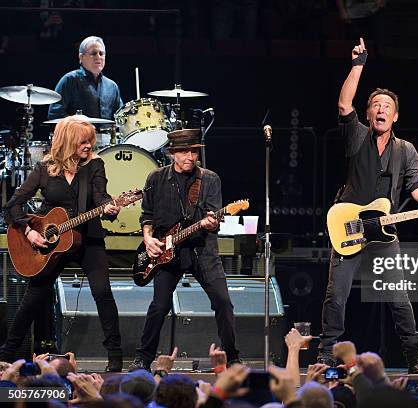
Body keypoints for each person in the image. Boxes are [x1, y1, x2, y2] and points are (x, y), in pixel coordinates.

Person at [318, 38, 418, 374]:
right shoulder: (357, 136)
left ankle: (415, 355)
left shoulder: (405, 150)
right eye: (375, 105)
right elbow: (343, 102)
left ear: (395, 116)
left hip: (383, 231)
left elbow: (417, 186)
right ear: (368, 113)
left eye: (386, 106)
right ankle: (325, 355)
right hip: (349, 226)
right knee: (337, 296)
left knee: (398, 298)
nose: (380, 109)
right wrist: (358, 65)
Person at [0, 116, 123, 371]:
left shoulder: (95, 166)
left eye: (91, 140)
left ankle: (115, 356)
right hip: (51, 241)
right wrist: (28, 232)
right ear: (67, 141)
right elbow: (13, 204)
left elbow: (100, 197)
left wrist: (109, 208)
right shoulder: (45, 168)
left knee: (102, 292)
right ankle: (7, 352)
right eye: (83, 141)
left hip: (88, 238)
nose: (89, 145)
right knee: (34, 296)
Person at [129, 129, 239, 371]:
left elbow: (214, 216)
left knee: (223, 302)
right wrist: (148, 239)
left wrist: (212, 221)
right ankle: (143, 359)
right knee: (159, 306)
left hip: (202, 252)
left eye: (194, 152)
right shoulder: (155, 178)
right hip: (166, 254)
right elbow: (146, 216)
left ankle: (231, 358)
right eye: (184, 152)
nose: (190, 156)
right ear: (171, 154)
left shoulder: (210, 179)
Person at [48, 36, 123, 121]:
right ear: (81, 57)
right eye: (94, 53)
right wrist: (77, 123)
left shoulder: (112, 86)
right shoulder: (70, 80)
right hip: (77, 134)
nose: (98, 57)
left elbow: (120, 118)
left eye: (101, 53)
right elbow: (55, 114)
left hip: (106, 134)